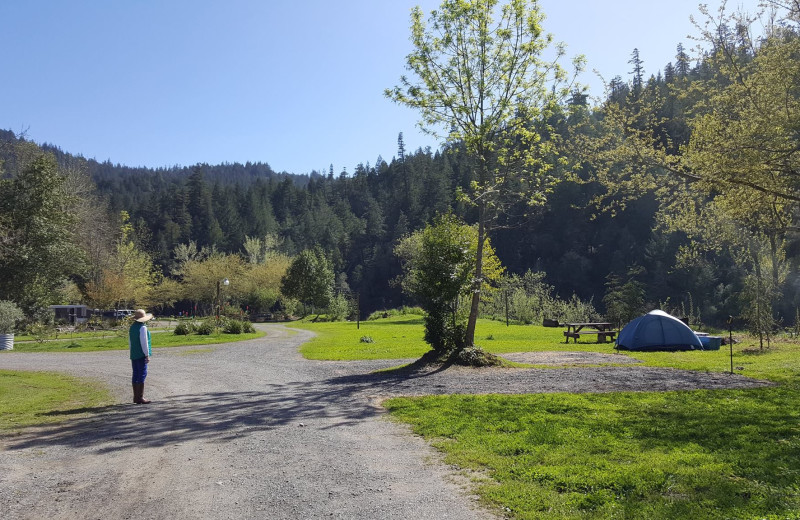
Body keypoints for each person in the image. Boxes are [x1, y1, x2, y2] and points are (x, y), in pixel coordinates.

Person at [129, 309, 154, 404]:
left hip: (134, 354)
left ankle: (136, 397)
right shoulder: (142, 328)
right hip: (141, 354)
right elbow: (144, 343)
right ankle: (140, 397)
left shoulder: (132, 327)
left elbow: (130, 342)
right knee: (142, 374)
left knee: (135, 373)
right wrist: (147, 355)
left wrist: (132, 352)